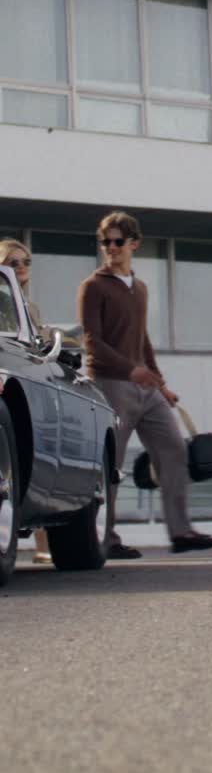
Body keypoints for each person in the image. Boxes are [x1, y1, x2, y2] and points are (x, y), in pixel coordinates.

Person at [77, 211, 212, 558]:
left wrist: (160, 384)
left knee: (173, 450)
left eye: (117, 242)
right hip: (111, 384)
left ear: (134, 244)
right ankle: (106, 538)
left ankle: (181, 532)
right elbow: (92, 342)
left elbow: (142, 340)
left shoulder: (140, 288)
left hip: (145, 386)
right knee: (110, 466)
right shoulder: (93, 286)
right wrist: (131, 371)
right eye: (105, 242)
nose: (110, 248)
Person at [0, 238, 52, 565]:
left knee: (39, 453)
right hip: (12, 383)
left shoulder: (29, 308)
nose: (21, 268)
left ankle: (43, 544)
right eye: (12, 262)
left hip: (34, 386)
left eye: (25, 262)